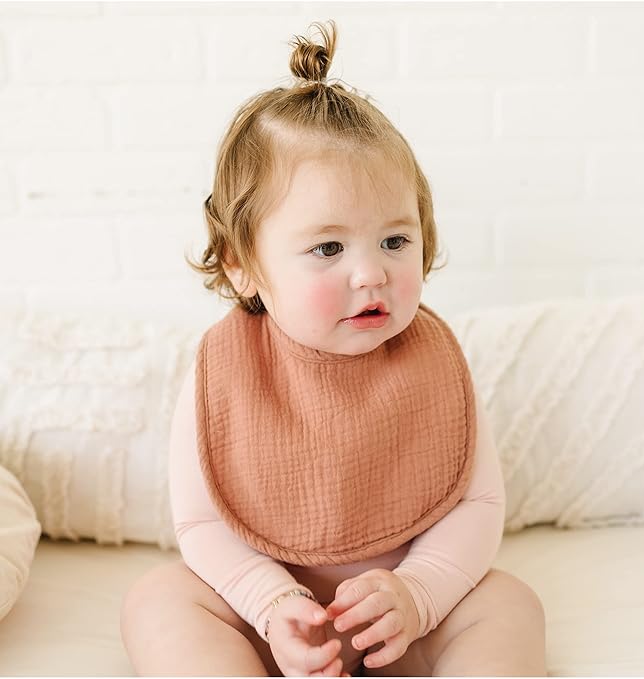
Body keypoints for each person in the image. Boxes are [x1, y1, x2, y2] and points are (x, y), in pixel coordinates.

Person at [120, 20, 546, 677]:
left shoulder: (431, 356)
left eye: (395, 241)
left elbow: (478, 504)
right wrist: (272, 603)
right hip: (271, 625)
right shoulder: (225, 368)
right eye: (327, 247)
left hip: (404, 621)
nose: (371, 273)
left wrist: (419, 593)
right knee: (158, 599)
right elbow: (202, 526)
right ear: (242, 265)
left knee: (509, 603)